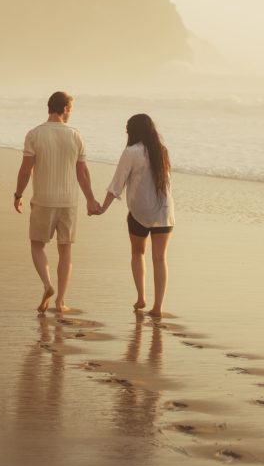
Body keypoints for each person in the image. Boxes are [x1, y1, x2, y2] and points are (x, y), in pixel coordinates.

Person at [14, 91, 100, 314]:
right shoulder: (76, 135)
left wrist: (18, 194)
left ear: (49, 108)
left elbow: (26, 170)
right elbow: (83, 173)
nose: (70, 113)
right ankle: (61, 302)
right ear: (65, 109)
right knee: (65, 251)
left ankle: (46, 284)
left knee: (37, 244)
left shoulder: (34, 134)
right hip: (69, 201)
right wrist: (90, 199)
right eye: (70, 109)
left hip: (43, 199)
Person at [97, 113, 174, 317]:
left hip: (140, 212)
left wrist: (102, 208)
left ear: (132, 131)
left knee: (138, 253)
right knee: (160, 258)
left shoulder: (131, 152)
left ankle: (141, 297)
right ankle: (158, 307)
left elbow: (117, 184)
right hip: (164, 213)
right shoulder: (162, 151)